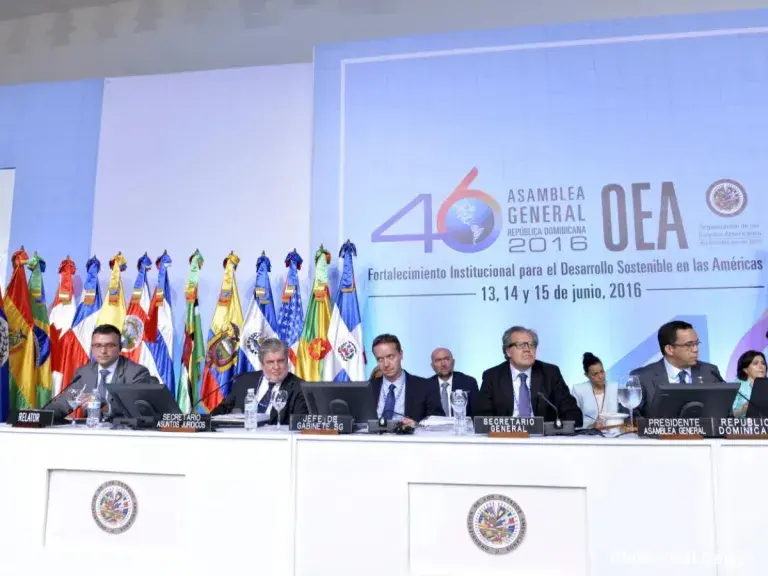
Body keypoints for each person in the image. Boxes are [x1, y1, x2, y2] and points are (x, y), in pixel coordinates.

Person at [475, 326, 583, 427]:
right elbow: (481, 417)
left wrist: (552, 428)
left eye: (531, 345)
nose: (527, 349)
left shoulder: (550, 373)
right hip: (505, 439)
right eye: (521, 345)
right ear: (508, 351)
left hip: (543, 440)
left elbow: (573, 414)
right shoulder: (492, 376)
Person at [44, 324, 153, 422]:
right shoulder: (84, 373)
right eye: (97, 345)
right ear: (92, 348)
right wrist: (39, 415)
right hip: (91, 435)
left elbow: (139, 408)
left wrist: (106, 406)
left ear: (120, 347)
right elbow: (62, 404)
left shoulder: (135, 373)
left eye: (110, 345)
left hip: (123, 435)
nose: (103, 351)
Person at [631, 320, 724, 417]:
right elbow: (631, 417)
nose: (696, 349)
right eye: (689, 345)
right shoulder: (642, 378)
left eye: (696, 343)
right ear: (669, 349)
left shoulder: (709, 372)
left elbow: (724, 412)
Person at [211, 338, 307, 424]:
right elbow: (221, 411)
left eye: (281, 361)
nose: (276, 367)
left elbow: (299, 424)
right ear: (262, 364)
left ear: (287, 361)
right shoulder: (243, 381)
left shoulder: (299, 387)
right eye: (270, 362)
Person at [370, 333, 444, 424]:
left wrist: (418, 427)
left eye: (390, 357)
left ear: (401, 354)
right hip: (373, 438)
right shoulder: (367, 389)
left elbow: (439, 423)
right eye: (380, 359)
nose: (386, 364)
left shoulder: (426, 387)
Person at [428, 347, 478, 417]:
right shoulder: (426, 386)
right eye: (438, 360)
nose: (443, 364)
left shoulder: (469, 382)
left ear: (453, 362)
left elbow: (476, 413)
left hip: (462, 426)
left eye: (446, 359)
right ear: (432, 366)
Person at [571, 352, 618, 427]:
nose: (600, 376)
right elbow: (574, 420)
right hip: (588, 435)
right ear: (586, 375)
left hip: (614, 432)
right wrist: (591, 426)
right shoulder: (578, 390)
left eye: (602, 371)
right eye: (595, 374)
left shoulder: (615, 388)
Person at [731, 350, 767, 418]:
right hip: (742, 426)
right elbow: (727, 414)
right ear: (745, 370)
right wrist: (742, 411)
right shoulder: (737, 385)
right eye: (755, 363)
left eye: (763, 363)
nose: (761, 367)